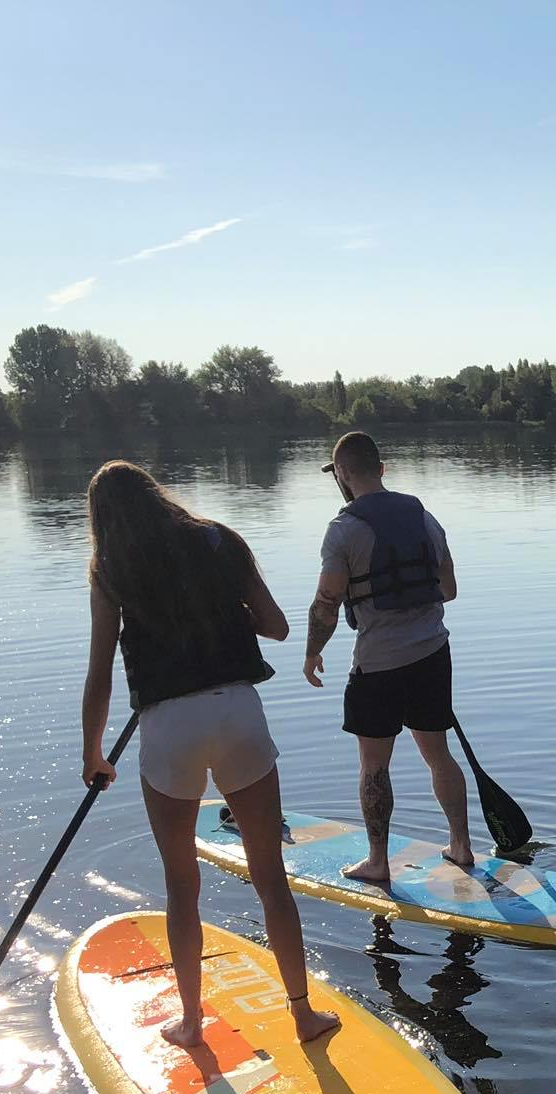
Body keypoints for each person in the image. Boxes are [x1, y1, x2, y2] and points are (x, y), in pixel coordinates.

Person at [79, 460, 339, 1046]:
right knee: (270, 877)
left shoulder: (111, 570)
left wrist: (94, 753)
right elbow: (276, 627)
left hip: (169, 725)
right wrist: (224, 611)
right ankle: (303, 1015)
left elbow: (99, 672)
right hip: (237, 713)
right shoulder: (221, 539)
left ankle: (192, 1022)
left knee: (181, 884)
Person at [302, 431, 470, 880]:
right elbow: (449, 589)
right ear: (382, 468)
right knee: (439, 754)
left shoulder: (343, 530)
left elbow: (326, 603)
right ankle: (461, 846)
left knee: (373, 765)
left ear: (341, 473)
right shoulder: (424, 517)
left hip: (377, 664)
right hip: (433, 653)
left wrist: (312, 651)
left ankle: (378, 862)